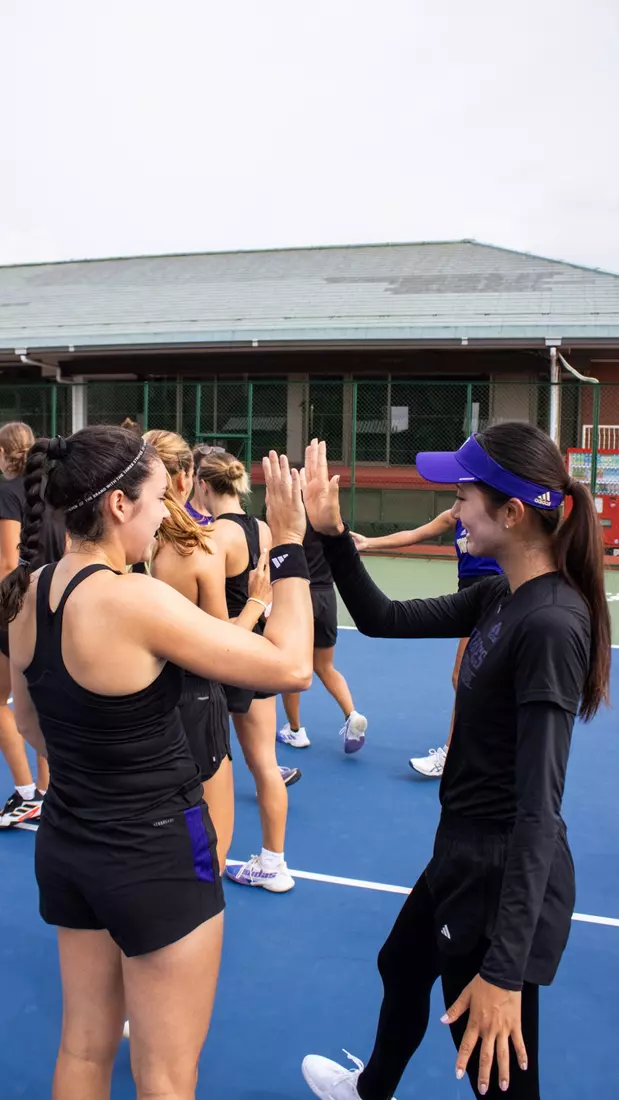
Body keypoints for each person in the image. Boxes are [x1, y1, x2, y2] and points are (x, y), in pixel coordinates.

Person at [0, 426, 312, 1100]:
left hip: (69, 845)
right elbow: (290, 667)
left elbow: (28, 723)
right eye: (154, 500)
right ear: (117, 506)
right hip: (156, 856)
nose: (162, 515)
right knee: (166, 1075)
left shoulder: (29, 593)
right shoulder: (132, 598)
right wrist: (287, 545)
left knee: (82, 1051)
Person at [300, 428, 610, 1100]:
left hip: (499, 877)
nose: (453, 510)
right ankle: (368, 1090)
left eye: (463, 495)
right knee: (401, 963)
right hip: (462, 852)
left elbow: (538, 811)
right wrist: (329, 534)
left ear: (511, 513)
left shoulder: (551, 626)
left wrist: (502, 971)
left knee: (497, 1073)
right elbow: (380, 617)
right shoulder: (501, 594)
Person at [144, 429, 299, 869]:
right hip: (232, 658)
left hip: (200, 670)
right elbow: (228, 628)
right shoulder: (239, 535)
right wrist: (259, 605)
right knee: (256, 766)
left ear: (202, 483)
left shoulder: (189, 542)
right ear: (186, 478)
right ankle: (273, 860)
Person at [195, 448, 297, 892]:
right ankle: (274, 861)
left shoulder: (216, 535)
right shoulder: (263, 528)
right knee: (266, 764)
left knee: (210, 766)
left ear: (201, 484)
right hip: (257, 651)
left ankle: (204, 866)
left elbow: (210, 614)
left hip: (226, 656)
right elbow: (271, 592)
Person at [352, 513, 502, 777]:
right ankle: (483, 742)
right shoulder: (455, 516)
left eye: (463, 491)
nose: (458, 499)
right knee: (481, 678)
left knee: (463, 676)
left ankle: (453, 753)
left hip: (493, 597)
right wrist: (368, 543)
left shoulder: (496, 512)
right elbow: (414, 534)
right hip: (469, 599)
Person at [0, 421, 66, 827]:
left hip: (16, 608)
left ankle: (26, 792)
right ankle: (45, 789)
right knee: (42, 700)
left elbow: (8, 563)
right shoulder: (53, 492)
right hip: (53, 602)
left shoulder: (9, 493)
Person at [278, 513, 367, 753]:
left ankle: (295, 731)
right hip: (327, 597)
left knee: (293, 668)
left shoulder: (288, 517)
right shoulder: (328, 520)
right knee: (326, 666)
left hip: (300, 596)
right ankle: (352, 714)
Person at [186, 444, 218, 526]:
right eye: (205, 471)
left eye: (215, 472)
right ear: (193, 476)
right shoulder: (182, 513)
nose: (211, 477)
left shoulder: (223, 516)